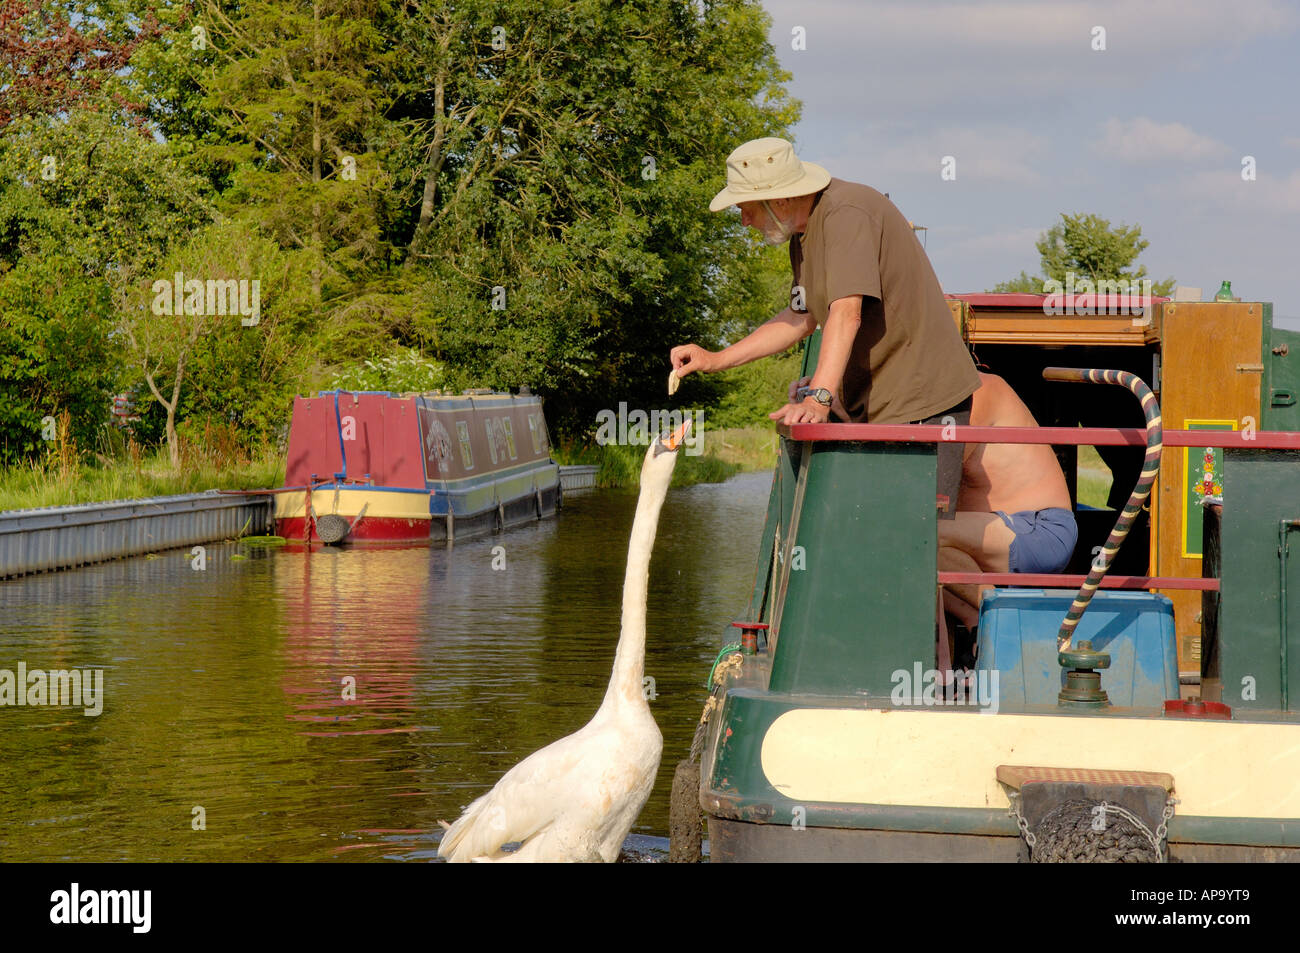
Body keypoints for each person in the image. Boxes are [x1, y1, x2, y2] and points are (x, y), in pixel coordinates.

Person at [669, 137, 980, 518]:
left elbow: (847, 313)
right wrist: (714, 359)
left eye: (746, 208)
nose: (744, 220)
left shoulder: (846, 213)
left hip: (925, 400)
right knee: (873, 531)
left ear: (779, 200)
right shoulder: (800, 233)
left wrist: (819, 398)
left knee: (921, 537)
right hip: (875, 402)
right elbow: (800, 318)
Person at [938, 373, 1078, 631]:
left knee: (921, 533)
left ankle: (1006, 621)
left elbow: (940, 477)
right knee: (913, 544)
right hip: (994, 534)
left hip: (1040, 529)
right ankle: (975, 621)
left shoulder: (979, 392)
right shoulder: (940, 400)